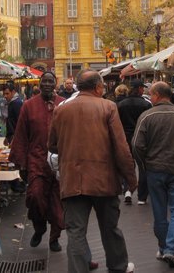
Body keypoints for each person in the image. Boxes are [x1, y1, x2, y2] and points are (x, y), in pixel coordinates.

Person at [49, 69, 136, 273]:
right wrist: (131, 178)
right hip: (103, 179)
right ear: (98, 87)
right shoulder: (108, 107)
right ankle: (118, 266)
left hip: (72, 180)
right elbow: (121, 147)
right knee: (110, 228)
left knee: (76, 233)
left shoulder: (61, 110)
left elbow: (52, 144)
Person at [133, 81, 174, 268]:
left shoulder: (146, 116)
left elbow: (136, 145)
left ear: (157, 95)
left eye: (151, 94)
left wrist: (144, 165)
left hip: (155, 170)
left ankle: (164, 247)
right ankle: (171, 249)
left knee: (159, 212)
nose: (150, 97)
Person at [9, 71, 65, 252]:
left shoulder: (63, 104)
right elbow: (21, 134)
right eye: (44, 81)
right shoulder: (28, 106)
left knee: (58, 205)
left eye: (50, 81)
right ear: (39, 84)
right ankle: (39, 227)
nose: (47, 84)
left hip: (60, 162)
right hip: (36, 159)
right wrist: (22, 163)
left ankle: (54, 238)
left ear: (55, 83)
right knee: (35, 196)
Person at [117, 78, 152, 205]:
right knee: (143, 166)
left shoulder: (121, 104)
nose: (143, 90)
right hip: (141, 137)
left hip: (125, 136)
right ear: (138, 89)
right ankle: (142, 196)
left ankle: (127, 190)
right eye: (142, 88)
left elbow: (118, 123)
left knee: (129, 165)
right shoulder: (146, 104)